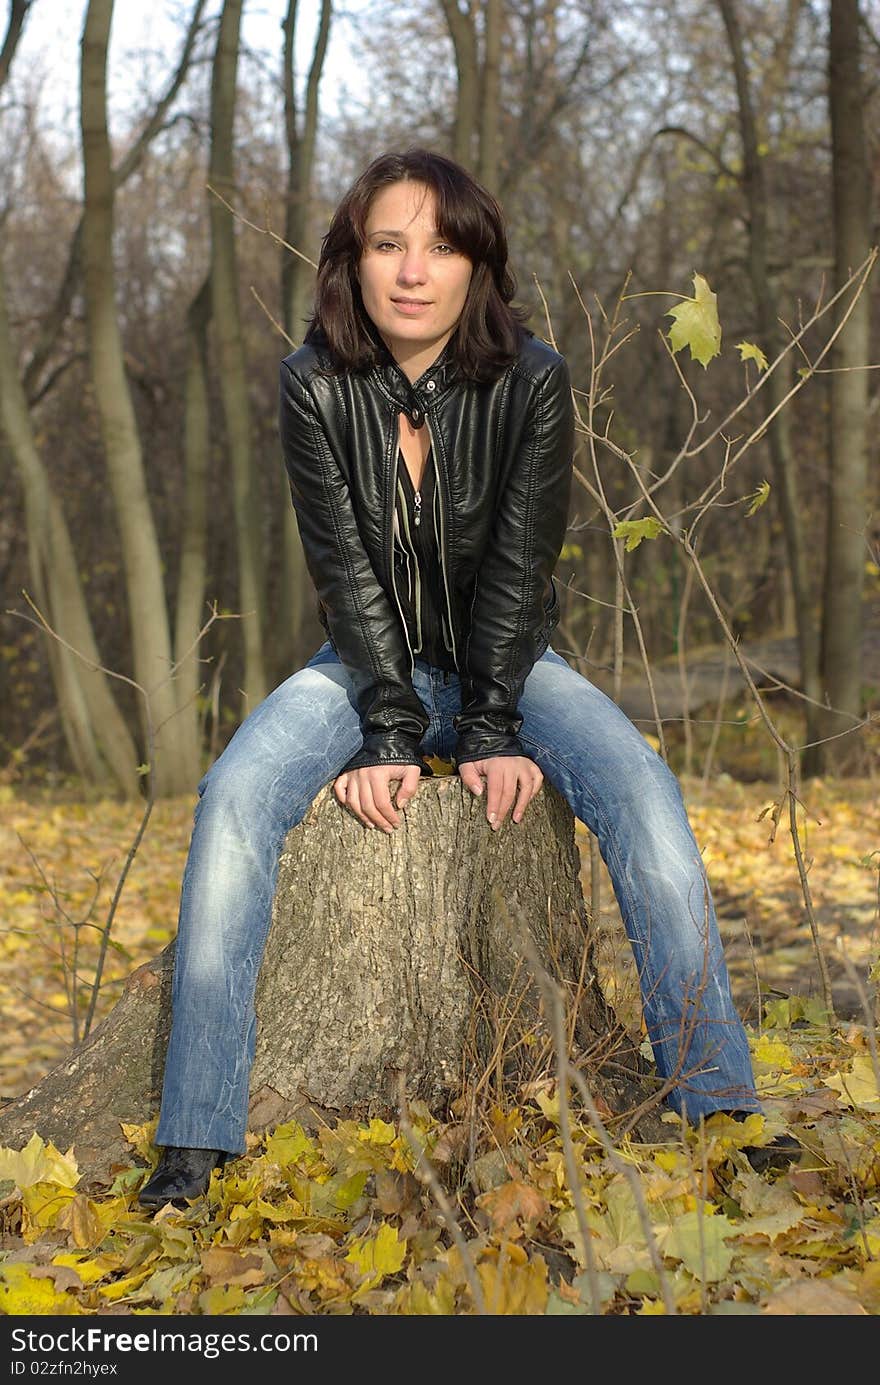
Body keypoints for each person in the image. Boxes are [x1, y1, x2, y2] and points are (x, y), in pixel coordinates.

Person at [138, 147, 797, 1209]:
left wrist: (489, 726)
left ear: (475, 265)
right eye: (386, 244)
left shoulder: (533, 378)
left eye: (440, 247)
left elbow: (518, 566)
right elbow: (344, 572)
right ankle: (196, 1138)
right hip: (360, 664)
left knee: (639, 786)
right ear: (350, 264)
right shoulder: (311, 384)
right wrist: (389, 729)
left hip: (512, 662)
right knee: (232, 798)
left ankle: (717, 1098)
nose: (412, 270)